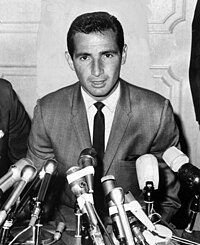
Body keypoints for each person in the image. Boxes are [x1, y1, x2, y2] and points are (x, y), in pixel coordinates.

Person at [27, 11, 181, 244]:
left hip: (133, 232)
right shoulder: (48, 111)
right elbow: (37, 194)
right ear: (70, 60)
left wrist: (141, 233)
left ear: (123, 54)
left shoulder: (156, 112)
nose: (97, 71)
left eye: (107, 55)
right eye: (84, 57)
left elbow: (169, 199)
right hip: (67, 231)